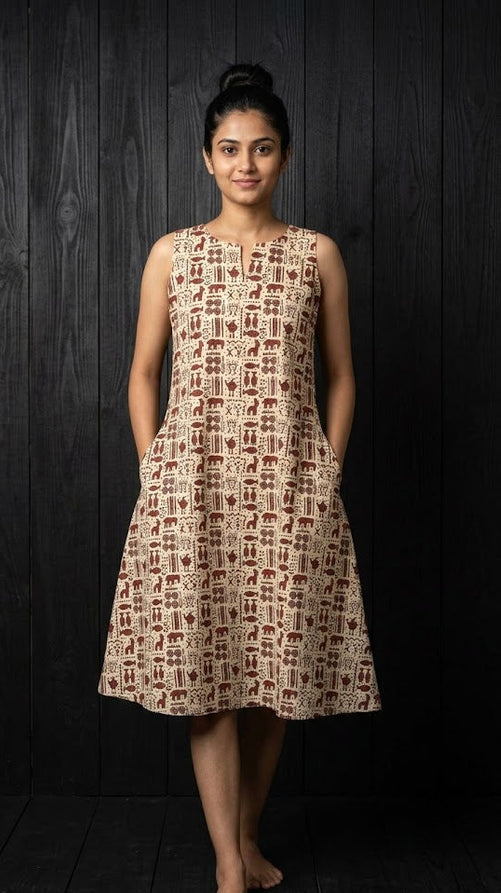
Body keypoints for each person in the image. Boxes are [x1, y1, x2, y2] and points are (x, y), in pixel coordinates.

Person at [98, 62, 382, 893]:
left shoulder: (314, 254)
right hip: (193, 492)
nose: (245, 163)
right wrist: (158, 470)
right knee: (208, 676)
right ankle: (230, 864)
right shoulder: (172, 255)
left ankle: (246, 842)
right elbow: (142, 373)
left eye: (261, 148)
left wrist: (325, 470)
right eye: (230, 148)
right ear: (206, 158)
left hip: (290, 492)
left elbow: (341, 376)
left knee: (275, 676)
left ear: (284, 158)